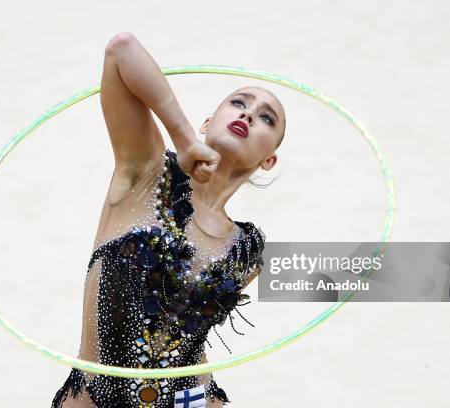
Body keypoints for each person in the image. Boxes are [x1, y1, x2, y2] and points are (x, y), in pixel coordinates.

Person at [51, 32, 286, 408]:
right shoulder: (146, 172)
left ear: (268, 159)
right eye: (239, 102)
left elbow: (185, 343)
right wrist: (184, 139)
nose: (247, 114)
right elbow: (121, 50)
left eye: (266, 118)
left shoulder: (247, 250)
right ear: (208, 121)